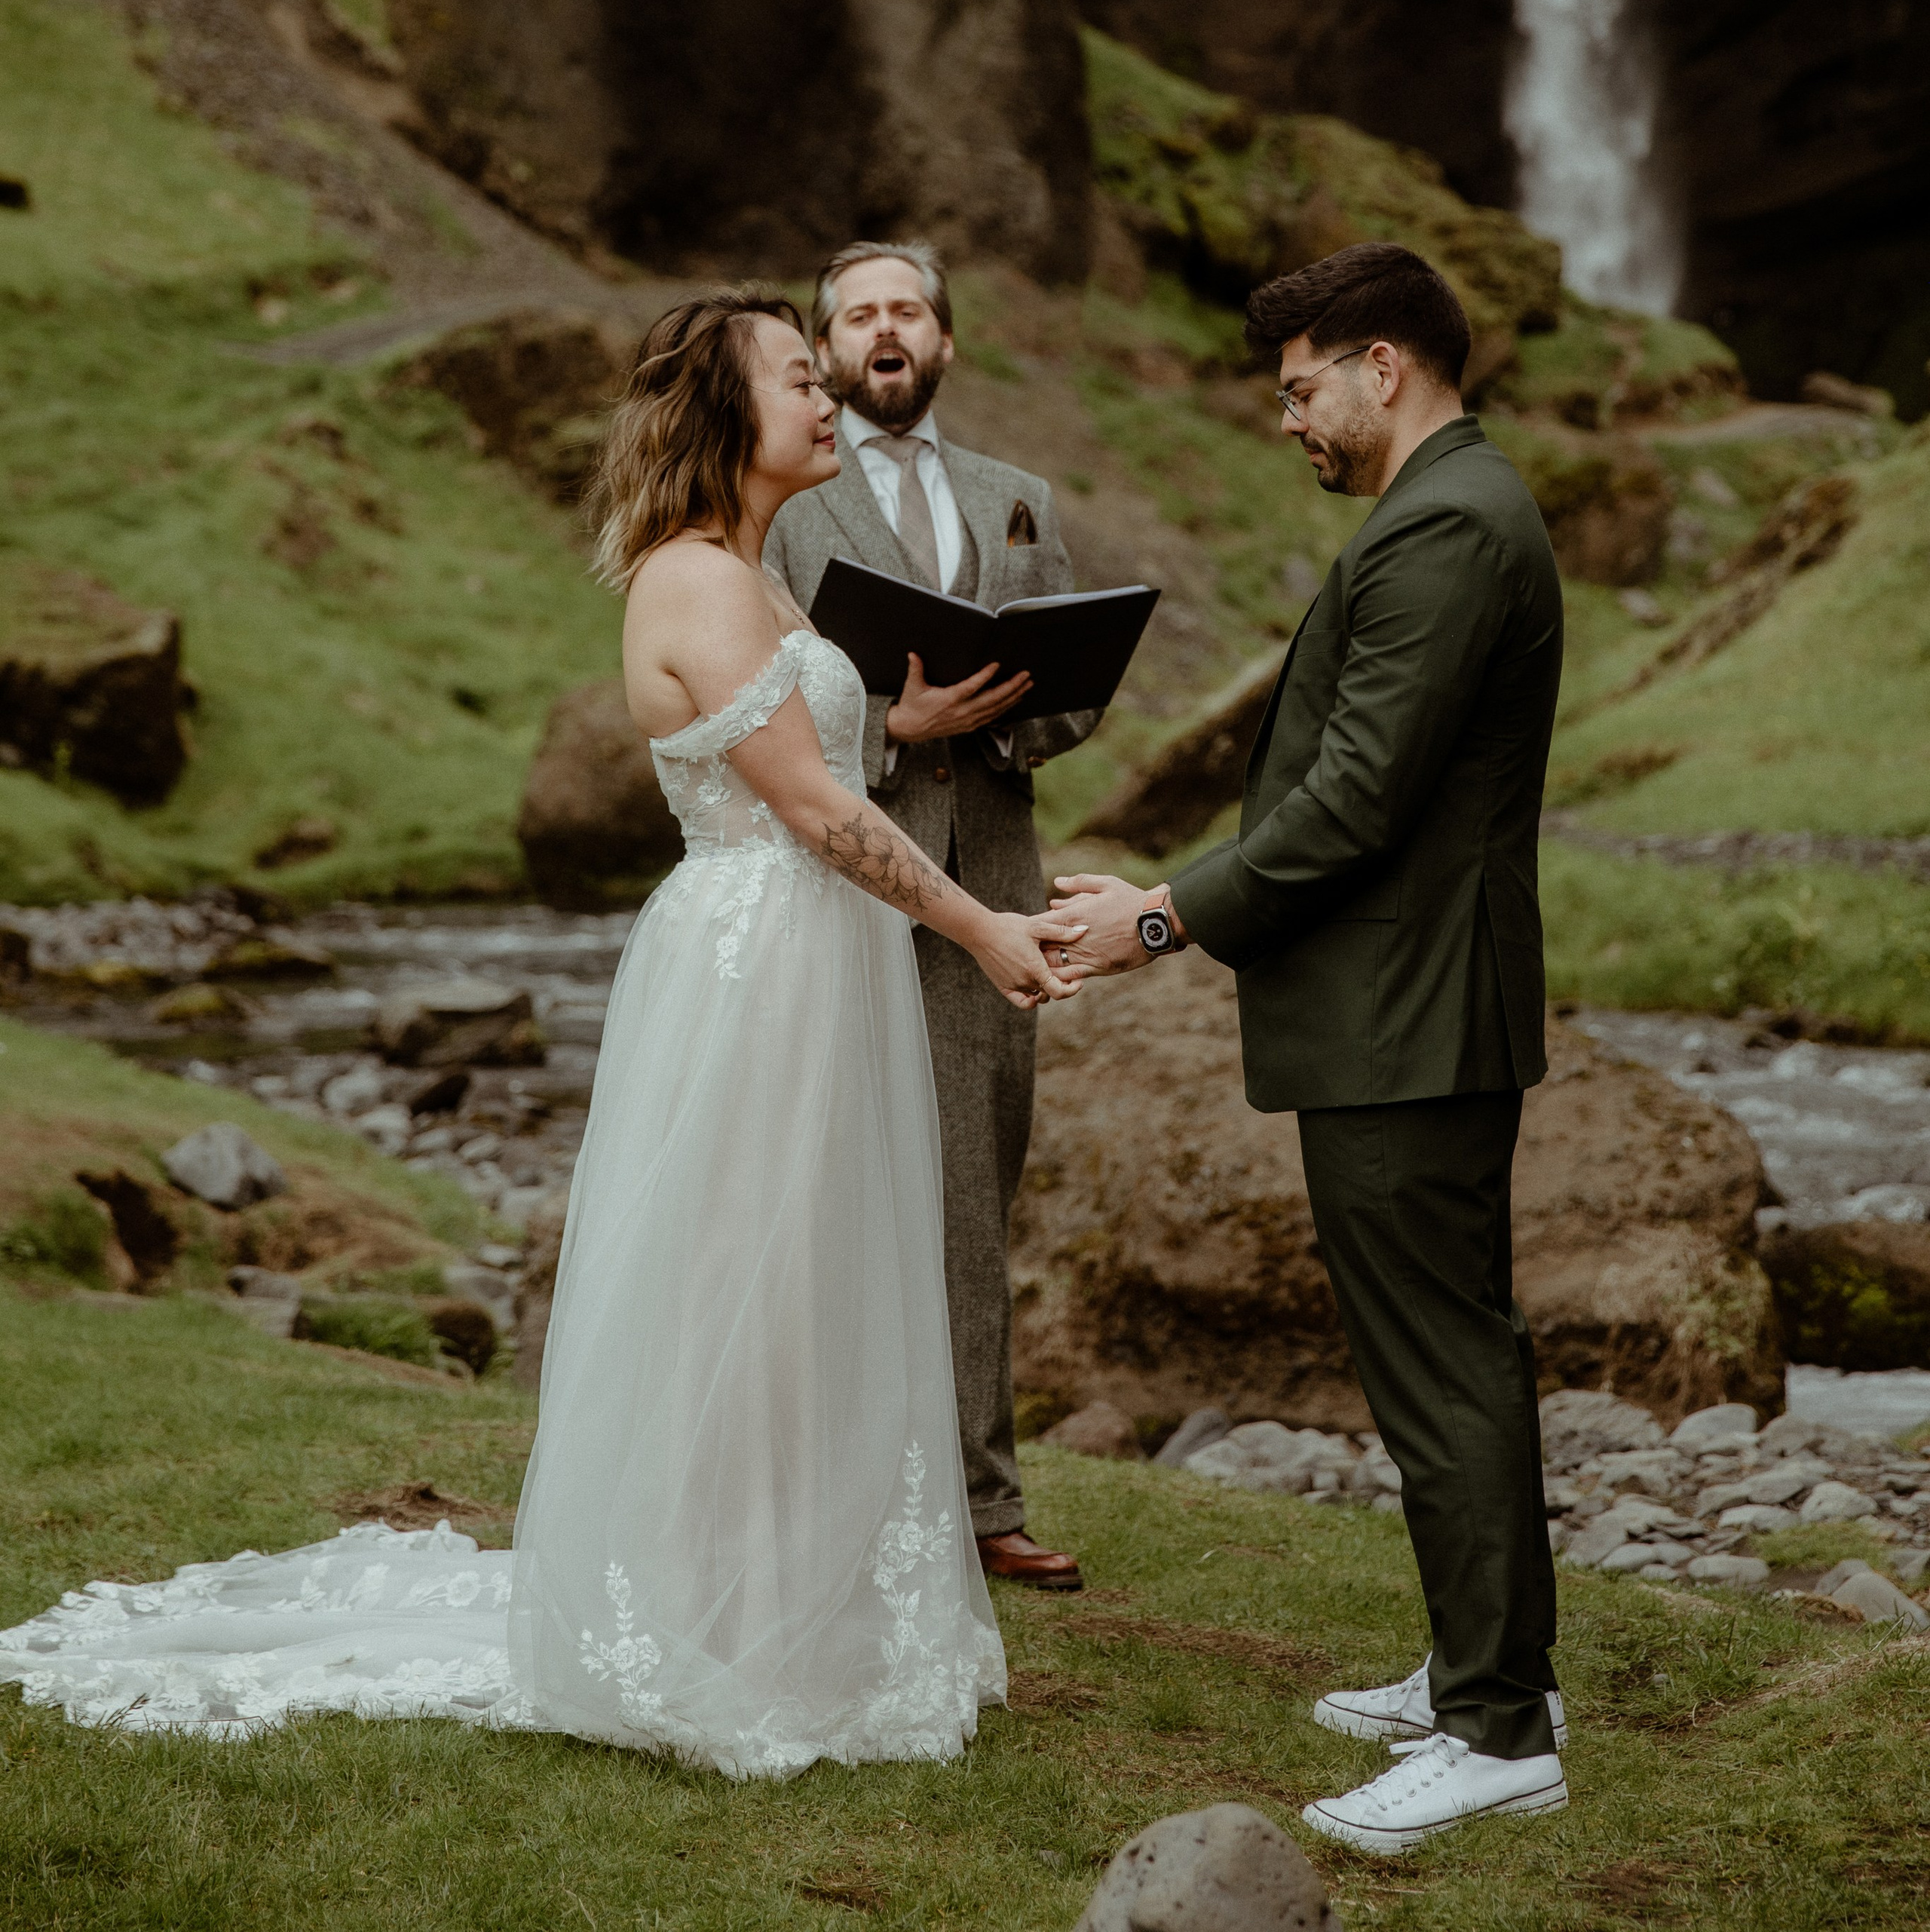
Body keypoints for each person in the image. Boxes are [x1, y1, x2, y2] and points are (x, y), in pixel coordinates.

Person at [0, 290, 1076, 1771]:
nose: (827, 400)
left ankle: (783, 1608)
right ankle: (721, 1628)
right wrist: (981, 927)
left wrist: (904, 729)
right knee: (743, 1291)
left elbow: (815, 754)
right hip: (760, 964)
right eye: (795, 379)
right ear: (723, 416)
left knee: (801, 1281)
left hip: (813, 961)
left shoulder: (756, 578)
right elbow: (816, 815)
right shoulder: (697, 582)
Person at [1046, 241, 1570, 1857]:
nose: (1291, 423)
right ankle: (1483, 1680)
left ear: (1382, 367)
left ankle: (1493, 1733)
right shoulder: (1449, 515)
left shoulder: (1446, 529)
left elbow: (1354, 797)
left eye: (1299, 391)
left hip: (1409, 1020)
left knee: (1442, 1363)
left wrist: (1156, 918)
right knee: (1436, 1352)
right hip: (1400, 1010)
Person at [764, 241, 1101, 1595]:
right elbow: (759, 707)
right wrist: (893, 737)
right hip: (839, 877)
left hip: (997, 881)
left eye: (908, 309)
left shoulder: (1019, 501)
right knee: (823, 1178)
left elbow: (1082, 689)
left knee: (974, 1190)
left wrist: (1021, 716)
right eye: (858, 315)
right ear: (829, 352)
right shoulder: (784, 501)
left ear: (945, 343)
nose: (884, 329)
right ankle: (823, 1490)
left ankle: (979, 1502)